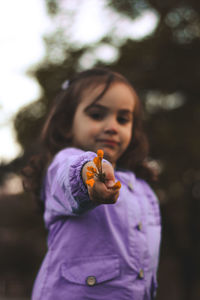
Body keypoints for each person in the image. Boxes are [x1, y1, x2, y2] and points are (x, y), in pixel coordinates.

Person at [22, 68, 161, 300]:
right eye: (97, 115)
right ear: (67, 125)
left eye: (123, 119)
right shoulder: (63, 163)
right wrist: (88, 175)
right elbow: (67, 176)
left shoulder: (144, 191)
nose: (112, 126)